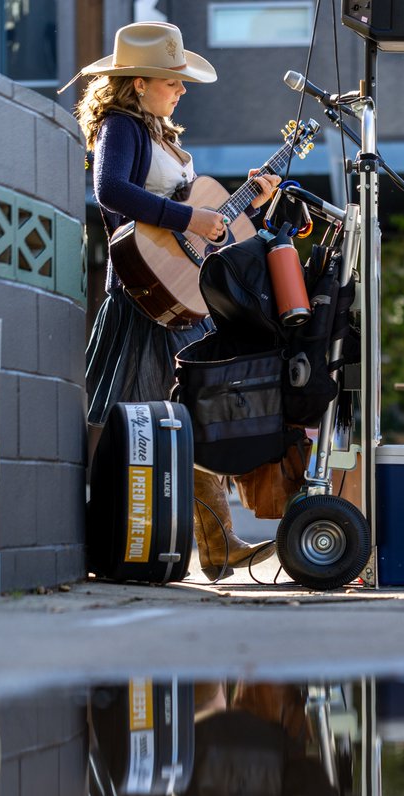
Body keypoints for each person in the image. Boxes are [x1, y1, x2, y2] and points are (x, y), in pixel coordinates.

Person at [65, 22, 281, 579]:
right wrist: (191, 217)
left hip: (175, 292)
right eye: (172, 81)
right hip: (143, 296)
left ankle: (214, 543)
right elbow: (110, 191)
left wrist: (250, 205)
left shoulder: (160, 134)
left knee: (180, 414)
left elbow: (196, 222)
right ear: (139, 83)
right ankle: (113, 540)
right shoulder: (122, 126)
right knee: (151, 417)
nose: (182, 89)